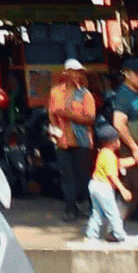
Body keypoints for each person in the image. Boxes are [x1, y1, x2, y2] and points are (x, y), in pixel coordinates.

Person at [111, 57, 138, 233]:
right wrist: (135, 149)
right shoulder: (124, 96)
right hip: (136, 150)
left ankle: (112, 229)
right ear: (127, 74)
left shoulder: (136, 94)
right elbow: (118, 123)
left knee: (131, 193)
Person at [50, 59, 97, 221]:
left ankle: (91, 207)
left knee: (84, 176)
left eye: (80, 72)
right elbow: (52, 115)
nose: (78, 75)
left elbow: (90, 118)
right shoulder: (56, 92)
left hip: (81, 142)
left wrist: (69, 115)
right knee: (66, 177)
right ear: (67, 73)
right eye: (75, 72)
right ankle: (70, 209)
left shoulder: (85, 94)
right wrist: (54, 133)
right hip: (62, 141)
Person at [83, 121, 138, 246]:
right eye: (118, 140)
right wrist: (123, 189)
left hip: (94, 185)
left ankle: (92, 236)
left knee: (97, 213)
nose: (119, 142)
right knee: (114, 213)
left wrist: (135, 160)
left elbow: (119, 163)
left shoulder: (103, 153)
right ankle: (121, 236)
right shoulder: (109, 156)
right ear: (113, 142)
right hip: (103, 187)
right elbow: (112, 175)